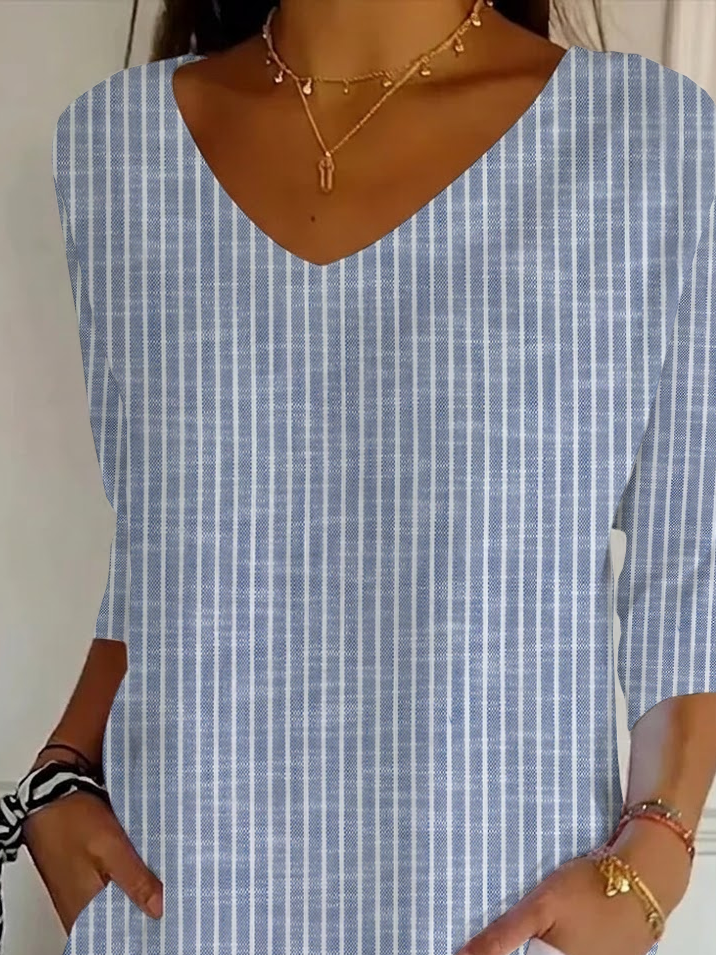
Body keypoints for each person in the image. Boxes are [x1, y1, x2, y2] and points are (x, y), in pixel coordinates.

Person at [1, 1, 715, 954]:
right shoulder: (114, 148)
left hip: (490, 913)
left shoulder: (646, 145)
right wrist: (59, 772)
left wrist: (654, 858)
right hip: (181, 910)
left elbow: (692, 565)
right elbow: (167, 550)